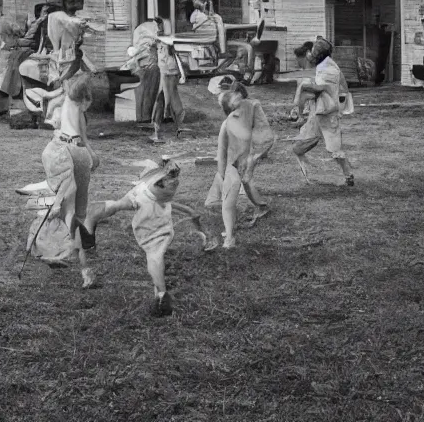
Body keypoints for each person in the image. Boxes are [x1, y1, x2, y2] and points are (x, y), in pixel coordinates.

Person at [82, 156, 217, 316]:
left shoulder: (149, 189)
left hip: (144, 190)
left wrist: (189, 212)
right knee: (155, 253)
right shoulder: (160, 189)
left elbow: (163, 200)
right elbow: (163, 199)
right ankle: (160, 295)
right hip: (151, 192)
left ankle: (88, 235)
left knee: (116, 205)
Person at [28, 76, 100, 288]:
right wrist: (94, 156)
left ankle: (52, 247)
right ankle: (80, 264)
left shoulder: (63, 100)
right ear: (85, 98)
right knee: (76, 213)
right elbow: (82, 140)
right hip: (73, 153)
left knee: (59, 203)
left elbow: (55, 122)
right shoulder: (78, 108)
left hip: (54, 150)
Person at [206, 77, 275, 248]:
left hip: (250, 152)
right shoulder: (227, 125)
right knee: (234, 189)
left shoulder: (252, 107)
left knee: (244, 180)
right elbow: (221, 152)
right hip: (235, 159)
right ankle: (230, 235)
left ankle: (260, 207)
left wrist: (256, 154)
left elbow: (264, 134)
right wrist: (222, 174)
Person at [291, 37, 355, 186]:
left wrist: (302, 90)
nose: (310, 55)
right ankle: (308, 175)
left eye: (313, 52)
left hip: (328, 114)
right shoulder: (324, 66)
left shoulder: (330, 69)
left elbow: (319, 89)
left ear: (319, 55)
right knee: (299, 146)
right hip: (317, 112)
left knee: (335, 148)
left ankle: (348, 175)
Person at [152, 20, 185, 143]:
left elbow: (176, 58)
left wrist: (182, 74)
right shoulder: (159, 41)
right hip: (165, 72)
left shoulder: (167, 42)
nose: (156, 28)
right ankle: (165, 130)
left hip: (169, 73)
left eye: (158, 25)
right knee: (164, 99)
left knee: (168, 100)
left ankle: (174, 128)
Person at [125, 18, 162, 126]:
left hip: (138, 63)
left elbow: (136, 45)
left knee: (139, 91)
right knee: (150, 91)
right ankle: (146, 117)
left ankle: (139, 118)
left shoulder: (139, 28)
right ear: (159, 24)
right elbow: (155, 42)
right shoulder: (154, 28)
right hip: (150, 62)